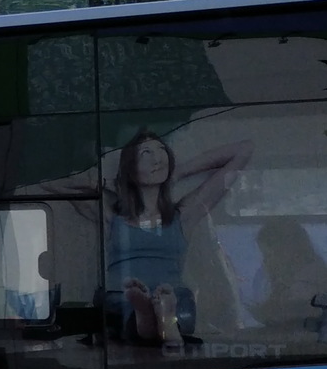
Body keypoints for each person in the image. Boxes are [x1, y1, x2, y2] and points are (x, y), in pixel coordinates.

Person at [103, 130, 249, 346]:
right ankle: (155, 318)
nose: (157, 158)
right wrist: (97, 181)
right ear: (130, 169)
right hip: (122, 297)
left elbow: (244, 149)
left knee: (175, 302)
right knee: (128, 307)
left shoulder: (184, 214)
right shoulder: (110, 214)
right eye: (146, 152)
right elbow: (53, 185)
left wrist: (179, 172)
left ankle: (161, 316)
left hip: (174, 296)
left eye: (162, 150)